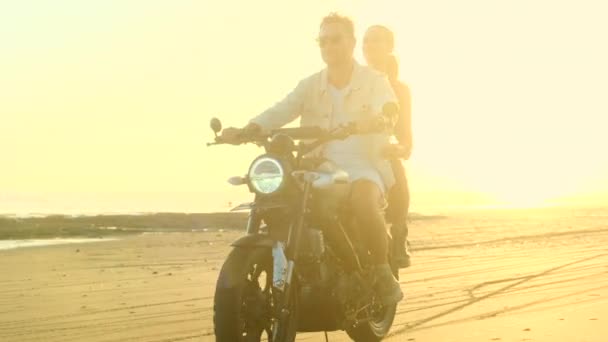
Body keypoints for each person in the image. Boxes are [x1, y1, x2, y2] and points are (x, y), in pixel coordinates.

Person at [221, 13, 403, 305]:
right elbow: (281, 109)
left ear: (351, 42)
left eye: (336, 39)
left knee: (363, 201)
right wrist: (248, 129)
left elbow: (388, 105)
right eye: (323, 41)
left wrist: (386, 116)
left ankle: (382, 272)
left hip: (362, 164)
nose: (329, 46)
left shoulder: (374, 80)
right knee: (284, 199)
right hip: (317, 164)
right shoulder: (310, 84)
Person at [363, 25, 413, 268]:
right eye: (366, 42)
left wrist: (399, 149)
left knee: (398, 184)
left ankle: (399, 231)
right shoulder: (351, 79)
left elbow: (406, 137)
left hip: (379, 153)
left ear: (389, 47)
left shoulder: (400, 90)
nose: (369, 47)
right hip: (345, 153)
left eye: (376, 41)